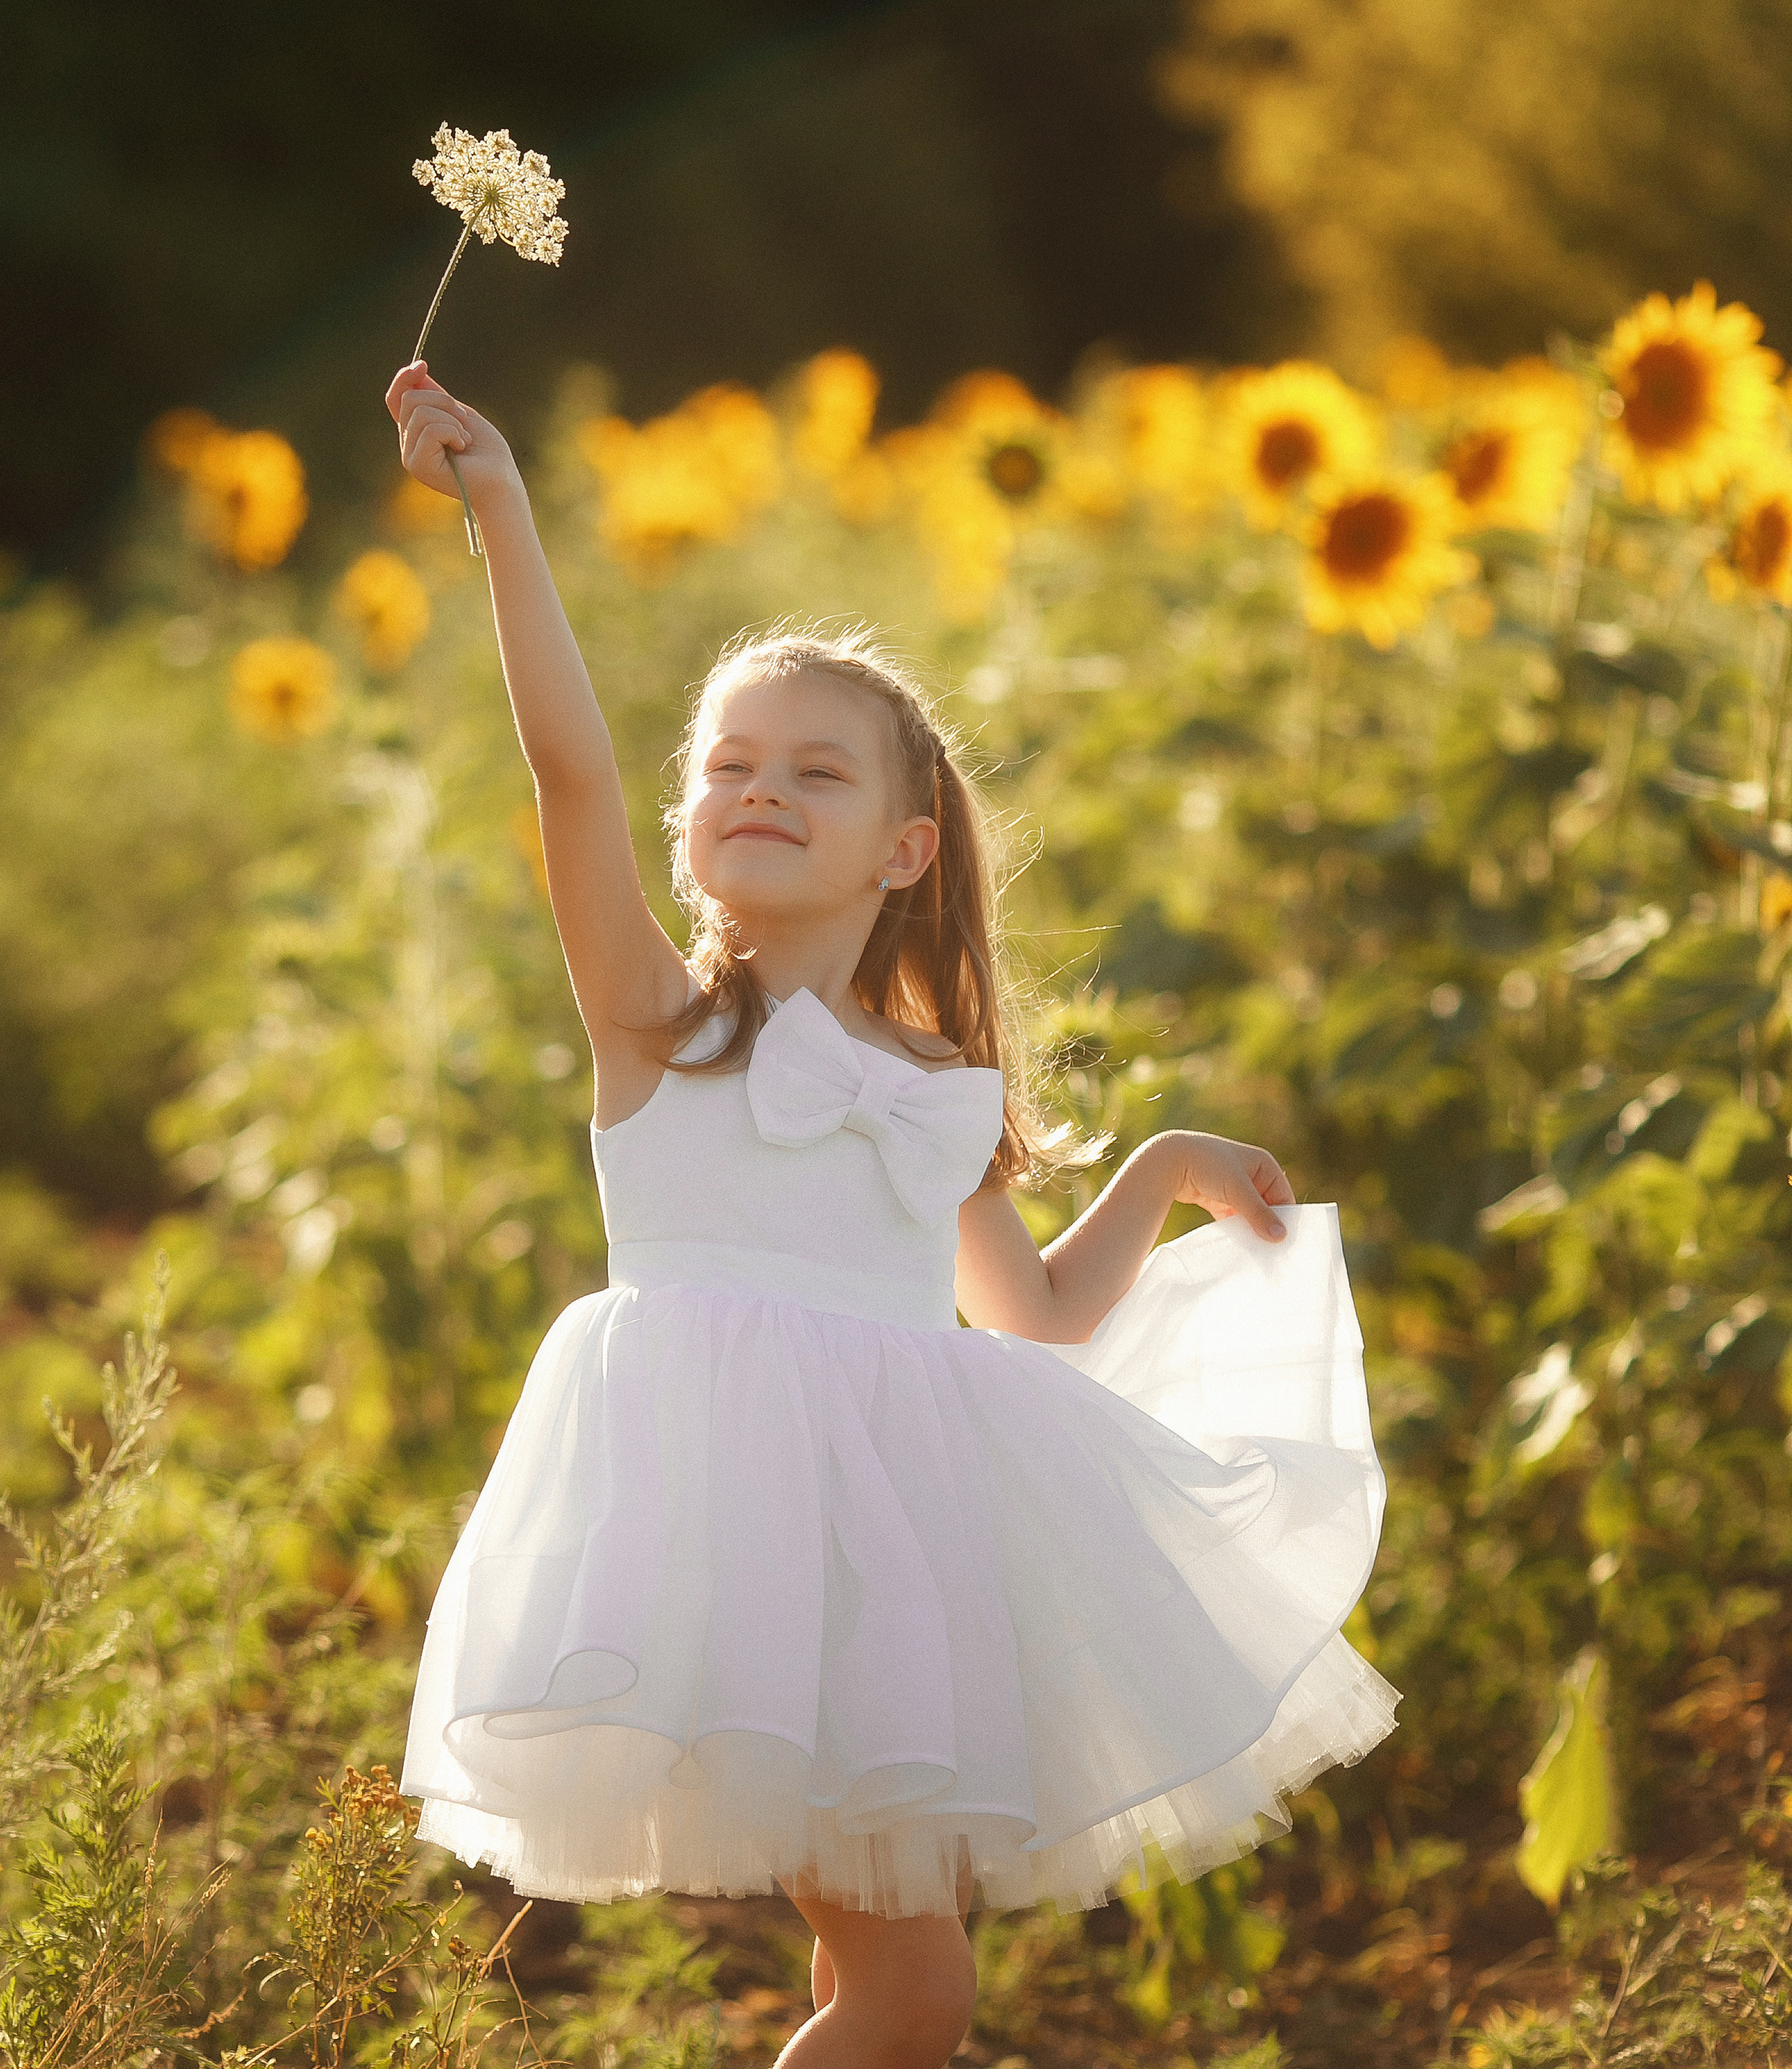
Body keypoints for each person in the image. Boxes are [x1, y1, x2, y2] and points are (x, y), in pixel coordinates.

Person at [386, 358, 1400, 2069]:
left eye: (814, 771)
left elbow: (1032, 1318)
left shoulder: (932, 1084)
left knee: (885, 1985)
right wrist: (500, 513)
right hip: (717, 1544)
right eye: (724, 765)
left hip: (884, 1563)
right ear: (687, 821)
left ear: (907, 851)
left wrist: (1155, 1167)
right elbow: (564, 771)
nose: (757, 786)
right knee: (911, 1994)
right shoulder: (656, 1016)